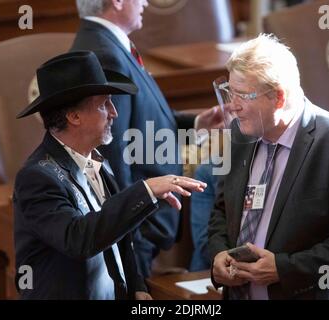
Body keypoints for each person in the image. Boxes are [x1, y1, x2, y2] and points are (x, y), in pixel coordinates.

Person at [13, 51, 206, 300]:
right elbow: (78, 238)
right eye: (104, 104)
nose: (114, 112)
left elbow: (121, 238)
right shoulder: (37, 177)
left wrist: (136, 285)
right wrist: (144, 190)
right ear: (74, 116)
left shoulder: (99, 161)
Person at [208, 34, 329, 300]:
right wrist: (219, 253)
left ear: (278, 97)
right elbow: (222, 210)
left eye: (243, 95)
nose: (233, 106)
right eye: (229, 92)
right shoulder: (239, 134)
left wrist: (284, 268)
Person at [70, 0, 223, 277]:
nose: (145, 2)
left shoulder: (108, 44)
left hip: (142, 222)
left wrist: (196, 124)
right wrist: (132, 235)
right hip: (137, 227)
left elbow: (140, 123)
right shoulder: (105, 54)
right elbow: (112, 155)